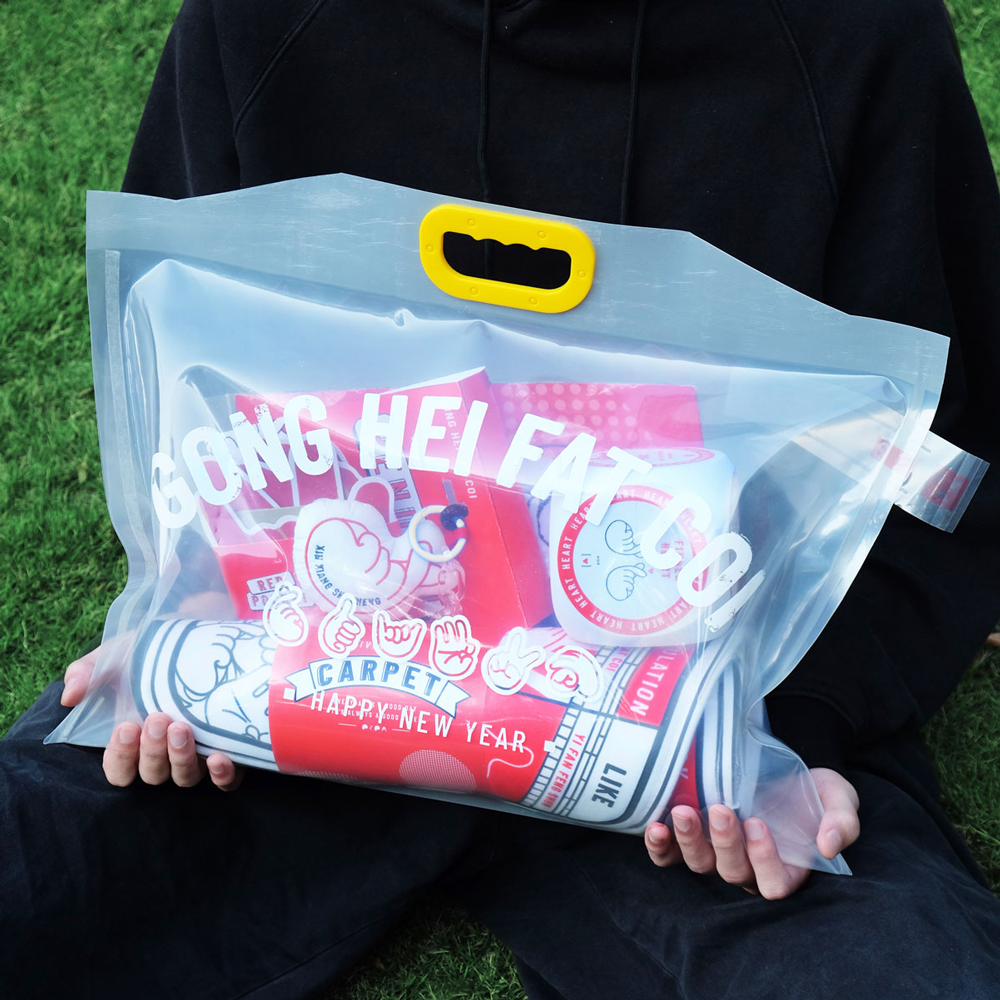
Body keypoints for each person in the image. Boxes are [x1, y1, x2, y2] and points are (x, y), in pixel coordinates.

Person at [4, 1, 1000, 997]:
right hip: (298, 691)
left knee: (899, 978)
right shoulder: (263, 21)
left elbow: (950, 475)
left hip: (676, 748)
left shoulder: (854, 34)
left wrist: (787, 734)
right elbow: (185, 392)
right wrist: (187, 620)